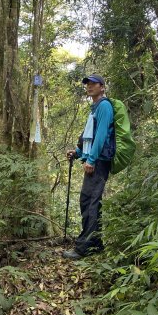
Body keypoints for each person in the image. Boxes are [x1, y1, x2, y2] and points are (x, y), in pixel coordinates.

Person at [63, 74, 114, 260]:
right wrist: (77, 152)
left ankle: (83, 248)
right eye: (88, 84)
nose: (90, 86)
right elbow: (89, 137)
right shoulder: (94, 108)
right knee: (90, 201)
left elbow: (101, 136)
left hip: (99, 162)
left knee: (90, 202)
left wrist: (91, 160)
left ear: (102, 87)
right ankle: (96, 244)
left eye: (94, 84)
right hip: (94, 159)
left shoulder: (104, 106)